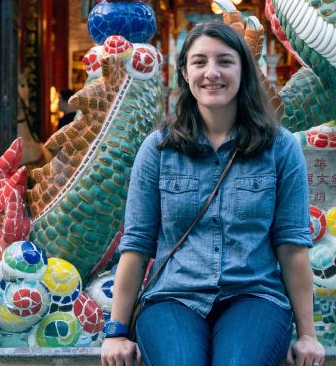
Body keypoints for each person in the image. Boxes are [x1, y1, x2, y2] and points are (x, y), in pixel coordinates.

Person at [100, 22, 324, 366]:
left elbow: (292, 246)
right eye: (200, 62)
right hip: (173, 297)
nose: (212, 73)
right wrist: (116, 332)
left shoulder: (280, 148)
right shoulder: (158, 149)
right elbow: (137, 244)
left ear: (244, 71)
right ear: (185, 73)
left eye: (225, 61)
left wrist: (307, 336)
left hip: (254, 296)